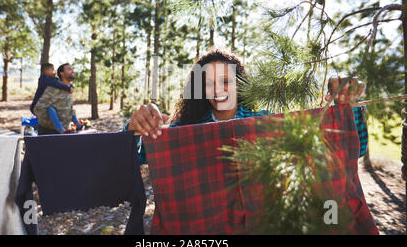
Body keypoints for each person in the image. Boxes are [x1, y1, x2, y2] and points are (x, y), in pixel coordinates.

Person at [123, 48, 369, 164]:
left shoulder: (265, 123)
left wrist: (350, 107)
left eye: (226, 81)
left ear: (240, 84)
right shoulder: (184, 129)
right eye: (209, 83)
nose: (218, 90)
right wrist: (132, 129)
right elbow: (135, 158)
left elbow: (350, 149)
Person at [34, 63, 82, 135]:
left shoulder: (69, 89)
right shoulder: (53, 89)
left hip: (64, 132)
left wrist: (77, 124)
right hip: (49, 133)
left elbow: (69, 109)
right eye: (69, 69)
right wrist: (56, 125)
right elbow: (38, 109)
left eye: (72, 69)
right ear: (61, 73)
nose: (72, 71)